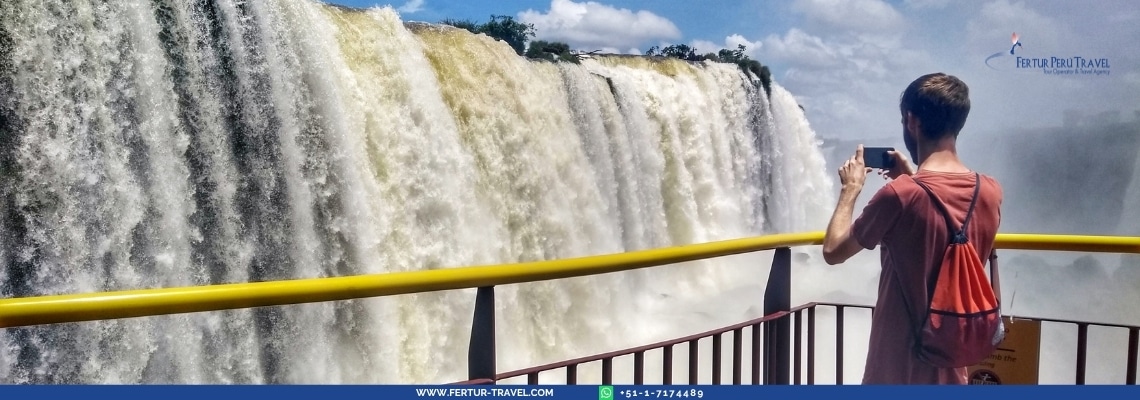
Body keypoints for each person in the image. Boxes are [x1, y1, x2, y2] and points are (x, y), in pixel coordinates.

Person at [820, 73, 1004, 384]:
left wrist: (850, 189)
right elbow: (941, 212)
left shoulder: (899, 195)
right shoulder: (989, 191)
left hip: (897, 365)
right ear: (959, 122)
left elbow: (833, 251)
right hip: (953, 361)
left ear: (912, 121)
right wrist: (910, 177)